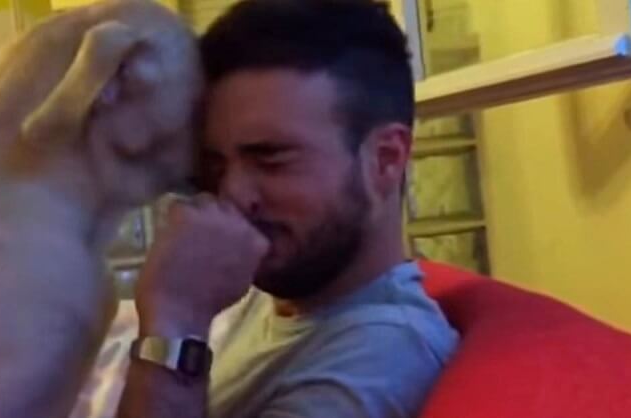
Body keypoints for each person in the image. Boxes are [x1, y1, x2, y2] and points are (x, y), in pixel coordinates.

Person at [116, 0, 459, 417]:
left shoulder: (381, 358)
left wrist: (176, 322)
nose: (231, 194)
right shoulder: (274, 293)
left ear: (385, 160)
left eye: (271, 158)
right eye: (214, 165)